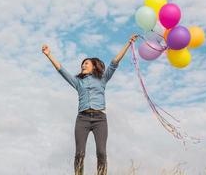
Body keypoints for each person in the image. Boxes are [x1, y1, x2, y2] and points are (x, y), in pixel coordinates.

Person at [41, 34, 138, 175]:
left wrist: (128, 43)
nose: (83, 65)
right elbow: (62, 70)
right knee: (79, 153)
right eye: (82, 64)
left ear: (93, 66)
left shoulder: (103, 79)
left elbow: (114, 62)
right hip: (82, 119)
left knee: (101, 152)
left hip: (100, 119)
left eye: (86, 63)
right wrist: (49, 55)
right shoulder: (78, 82)